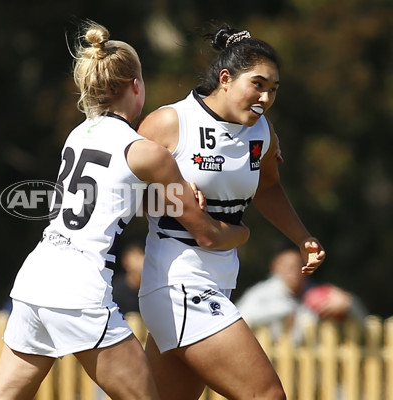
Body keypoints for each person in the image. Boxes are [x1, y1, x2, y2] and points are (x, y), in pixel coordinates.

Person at [0, 21, 249, 400]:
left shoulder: (78, 133)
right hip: (80, 288)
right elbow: (205, 232)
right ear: (136, 86)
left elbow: (113, 199)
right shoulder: (146, 152)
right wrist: (242, 232)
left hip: (34, 279)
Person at [136, 25, 326, 399]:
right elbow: (122, 194)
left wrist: (303, 238)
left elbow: (268, 187)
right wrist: (171, 195)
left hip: (218, 279)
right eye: (257, 84)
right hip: (178, 279)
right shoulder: (171, 122)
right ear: (225, 78)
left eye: (273, 89)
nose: (265, 97)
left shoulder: (261, 133)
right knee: (267, 395)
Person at [236, 247, 367, 343]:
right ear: (275, 267)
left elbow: (363, 322)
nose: (294, 271)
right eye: (288, 266)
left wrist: (348, 304)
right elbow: (240, 318)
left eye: (300, 266)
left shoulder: (317, 292)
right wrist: (284, 312)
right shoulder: (260, 294)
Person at [112, 242, 145, 314]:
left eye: (143, 255)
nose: (141, 260)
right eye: (136, 257)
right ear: (125, 260)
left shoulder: (153, 290)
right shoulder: (115, 291)